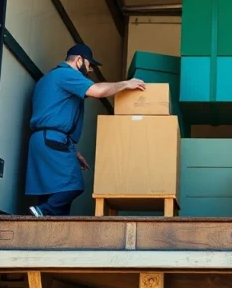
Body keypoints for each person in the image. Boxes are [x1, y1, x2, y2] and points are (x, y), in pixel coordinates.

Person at [25, 44, 145, 216]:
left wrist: (73, 150)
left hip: (44, 139)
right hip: (52, 139)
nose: (89, 70)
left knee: (51, 190)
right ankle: (43, 211)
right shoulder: (66, 74)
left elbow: (53, 115)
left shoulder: (47, 79)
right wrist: (126, 83)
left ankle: (44, 224)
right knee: (73, 184)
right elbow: (97, 90)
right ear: (79, 60)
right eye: (89, 65)